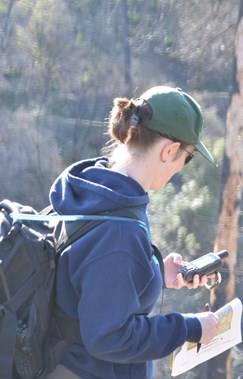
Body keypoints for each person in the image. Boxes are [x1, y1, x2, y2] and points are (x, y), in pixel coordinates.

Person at [46, 86, 221, 379]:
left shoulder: (92, 190)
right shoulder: (119, 230)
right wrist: (189, 327)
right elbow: (110, 337)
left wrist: (154, 273)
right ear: (169, 151)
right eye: (187, 158)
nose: (181, 168)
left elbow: (90, 281)